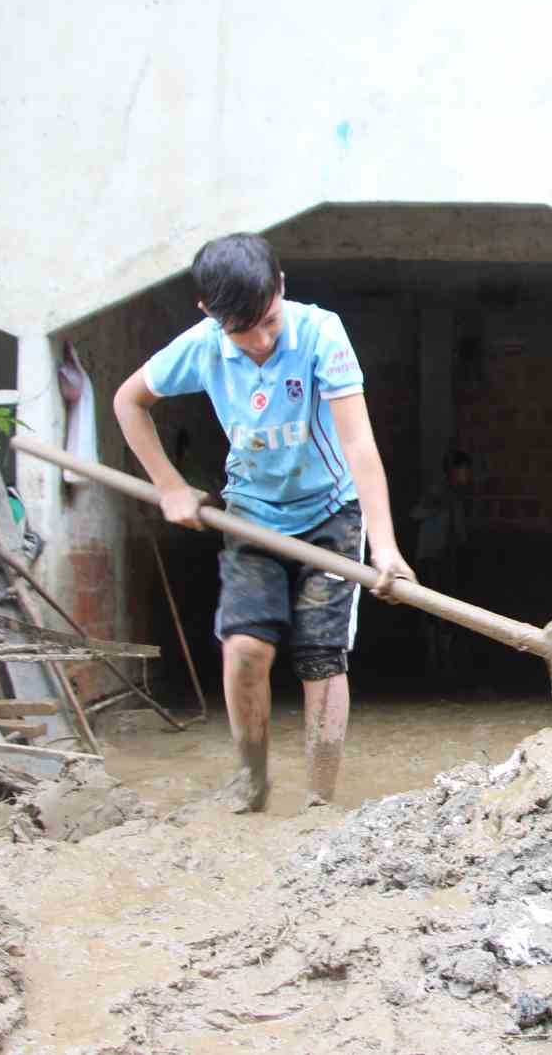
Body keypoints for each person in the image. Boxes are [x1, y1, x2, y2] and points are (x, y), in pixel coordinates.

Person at [112, 232, 413, 813]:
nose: (260, 340)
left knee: (321, 657)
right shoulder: (201, 346)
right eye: (242, 329)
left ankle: (319, 803)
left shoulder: (322, 334)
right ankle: (252, 781)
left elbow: (358, 443)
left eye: (269, 321)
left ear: (281, 287)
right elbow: (130, 401)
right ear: (210, 315)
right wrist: (169, 486)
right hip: (251, 514)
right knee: (245, 648)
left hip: (331, 512)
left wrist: (384, 545)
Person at [411, 450, 472, 678]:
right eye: (465, 471)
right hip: (433, 556)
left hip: (449, 556)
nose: (468, 476)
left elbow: (459, 530)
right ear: (455, 471)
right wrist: (438, 506)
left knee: (447, 607)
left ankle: (443, 658)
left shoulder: (457, 495)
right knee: (433, 609)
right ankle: (434, 658)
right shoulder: (438, 493)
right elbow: (416, 514)